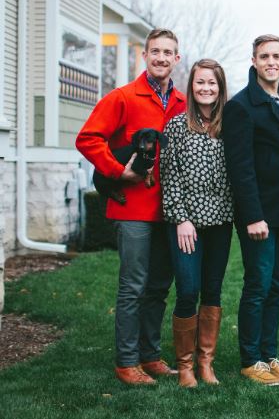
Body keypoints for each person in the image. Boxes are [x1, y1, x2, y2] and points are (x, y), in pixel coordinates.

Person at [76, 28, 185, 385]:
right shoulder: (123, 97)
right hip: (133, 210)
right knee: (133, 286)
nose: (161, 57)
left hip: (168, 211)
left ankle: (150, 355)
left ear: (176, 59)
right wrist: (117, 170)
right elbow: (88, 138)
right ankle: (126, 362)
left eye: (168, 52)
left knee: (158, 287)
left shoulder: (182, 103)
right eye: (155, 51)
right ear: (145, 55)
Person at [223, 34, 279, 386]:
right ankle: (250, 358)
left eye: (277, 56)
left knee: (277, 285)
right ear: (253, 61)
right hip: (259, 214)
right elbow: (239, 167)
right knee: (258, 284)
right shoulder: (241, 106)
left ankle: (270, 355)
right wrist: (253, 216)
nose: (272, 62)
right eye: (265, 56)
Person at [160, 59, 233, 387]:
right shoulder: (176, 125)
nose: (206, 88)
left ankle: (206, 362)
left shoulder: (230, 125)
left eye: (212, 83)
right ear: (191, 86)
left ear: (220, 88)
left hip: (220, 220)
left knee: (213, 289)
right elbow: (169, 176)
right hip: (186, 223)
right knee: (188, 289)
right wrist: (181, 219)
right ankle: (185, 365)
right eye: (200, 82)